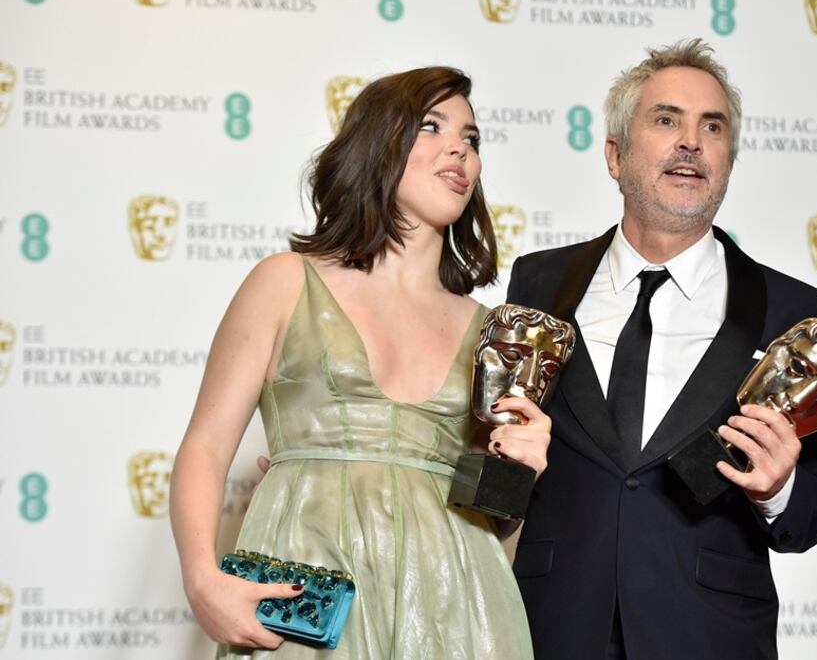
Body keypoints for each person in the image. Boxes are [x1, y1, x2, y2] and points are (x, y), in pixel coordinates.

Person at [170, 66, 549, 659]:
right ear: (377, 144)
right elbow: (205, 448)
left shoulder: (490, 332)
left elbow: (489, 520)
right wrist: (201, 579)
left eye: (472, 139)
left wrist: (520, 474)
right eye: (431, 127)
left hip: (456, 603)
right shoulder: (284, 282)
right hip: (309, 590)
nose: (460, 149)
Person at [505, 39, 817, 659]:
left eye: (711, 127)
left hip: (708, 636)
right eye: (666, 120)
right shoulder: (538, 285)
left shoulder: (789, 309)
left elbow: (810, 515)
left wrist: (777, 490)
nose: (691, 142)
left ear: (728, 162)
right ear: (615, 154)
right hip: (552, 629)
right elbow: (500, 465)